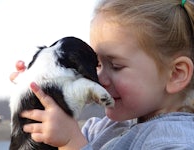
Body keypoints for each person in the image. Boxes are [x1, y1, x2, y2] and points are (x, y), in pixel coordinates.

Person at [10, 0, 194, 149]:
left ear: (176, 74)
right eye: (98, 65)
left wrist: (71, 143)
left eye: (116, 66)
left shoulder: (177, 140)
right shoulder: (100, 129)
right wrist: (41, 99)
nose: (100, 79)